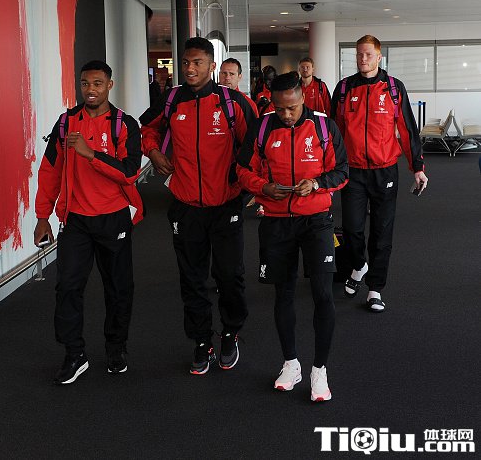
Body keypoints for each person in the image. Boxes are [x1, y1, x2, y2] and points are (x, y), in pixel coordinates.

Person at [139, 37, 255, 375]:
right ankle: (201, 341)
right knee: (192, 279)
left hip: (226, 204)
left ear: (212, 66)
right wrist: (154, 152)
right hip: (186, 205)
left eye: (198, 63)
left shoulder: (232, 102)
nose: (190, 69)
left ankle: (230, 333)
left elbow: (255, 145)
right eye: (186, 62)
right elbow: (146, 128)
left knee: (229, 276)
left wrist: (246, 185)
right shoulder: (172, 99)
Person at [237, 71, 348, 402]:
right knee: (283, 294)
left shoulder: (324, 127)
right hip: (276, 221)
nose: (286, 114)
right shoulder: (262, 127)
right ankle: (291, 364)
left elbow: (342, 171)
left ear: (303, 98)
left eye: (293, 107)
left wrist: (316, 183)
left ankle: (319, 370)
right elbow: (242, 170)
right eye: (280, 108)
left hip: (316, 220)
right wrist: (263, 188)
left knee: (323, 294)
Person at [34, 60, 143, 384]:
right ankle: (74, 354)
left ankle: (116, 348)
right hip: (76, 221)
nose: (90, 90)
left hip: (113, 218)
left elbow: (130, 172)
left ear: (109, 85)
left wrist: (92, 155)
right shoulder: (66, 123)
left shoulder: (124, 124)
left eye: (97, 83)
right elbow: (50, 170)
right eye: (85, 84)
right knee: (67, 287)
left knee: (119, 289)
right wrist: (42, 216)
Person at [330, 35, 428, 312]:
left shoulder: (394, 88)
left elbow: (407, 129)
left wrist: (417, 167)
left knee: (382, 232)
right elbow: (333, 133)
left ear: (379, 57)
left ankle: (375, 288)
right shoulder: (344, 88)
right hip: (353, 171)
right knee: (352, 229)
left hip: (385, 171)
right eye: (359, 54)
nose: (363, 59)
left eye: (368, 55)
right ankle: (359, 265)